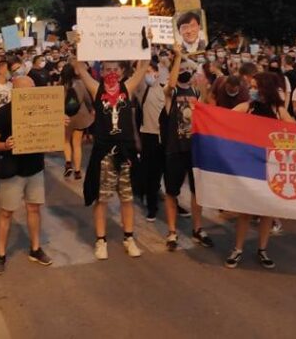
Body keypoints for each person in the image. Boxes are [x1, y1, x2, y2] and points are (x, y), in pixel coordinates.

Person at [72, 52, 149, 261]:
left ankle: (129, 238)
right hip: (104, 153)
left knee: (127, 197)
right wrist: (80, 44)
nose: (111, 73)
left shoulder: (128, 88)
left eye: (115, 69)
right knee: (102, 198)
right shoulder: (96, 89)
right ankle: (101, 240)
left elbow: (143, 67)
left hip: (125, 153)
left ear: (122, 71)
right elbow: (79, 68)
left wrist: (145, 44)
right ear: (101, 72)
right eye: (107, 69)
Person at [224, 72, 291, 270]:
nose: (251, 89)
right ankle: (238, 249)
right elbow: (224, 117)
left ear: (264, 88)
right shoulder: (248, 107)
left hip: (271, 166)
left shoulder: (278, 110)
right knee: (245, 210)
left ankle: (262, 249)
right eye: (250, 86)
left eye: (254, 86)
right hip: (250, 165)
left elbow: (295, 128)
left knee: (266, 211)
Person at [0, 75, 54, 275]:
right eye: (27, 90)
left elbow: (50, 130)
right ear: (15, 92)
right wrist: (5, 145)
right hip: (12, 169)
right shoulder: (2, 114)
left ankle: (35, 248)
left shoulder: (40, 110)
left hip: (34, 168)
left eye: (33, 89)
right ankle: (0, 254)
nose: (31, 94)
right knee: (7, 212)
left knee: (34, 209)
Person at [161, 46, 213, 251]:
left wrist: (204, 87)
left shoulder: (195, 92)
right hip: (174, 148)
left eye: (187, 68)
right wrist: (178, 57)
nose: (184, 70)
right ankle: (172, 231)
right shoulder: (169, 91)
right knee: (172, 191)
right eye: (180, 67)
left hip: (193, 149)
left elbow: (208, 107)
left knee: (196, 191)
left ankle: (197, 228)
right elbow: (172, 83)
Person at [136, 61, 165, 221]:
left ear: (157, 72)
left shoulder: (165, 89)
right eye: (144, 72)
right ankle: (151, 206)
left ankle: (168, 200)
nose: (147, 75)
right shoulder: (142, 90)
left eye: (150, 71)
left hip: (164, 137)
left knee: (164, 172)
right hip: (148, 136)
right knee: (151, 173)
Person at [61, 63, 94, 181]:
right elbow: (87, 99)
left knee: (65, 141)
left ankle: (68, 162)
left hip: (65, 118)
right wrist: (91, 109)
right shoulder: (80, 84)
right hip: (80, 117)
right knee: (77, 144)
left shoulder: (60, 86)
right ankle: (78, 171)